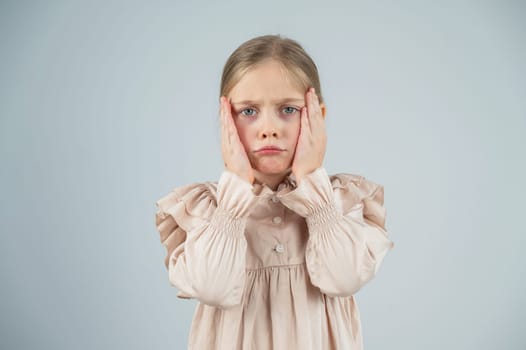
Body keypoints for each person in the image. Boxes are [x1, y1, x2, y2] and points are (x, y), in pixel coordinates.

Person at [154, 34, 394, 350]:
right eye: (249, 111)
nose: (269, 128)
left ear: (317, 117)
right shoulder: (208, 211)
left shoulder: (339, 201)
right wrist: (234, 198)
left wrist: (313, 184)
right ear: (225, 117)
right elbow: (212, 287)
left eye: (288, 109)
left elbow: (345, 278)